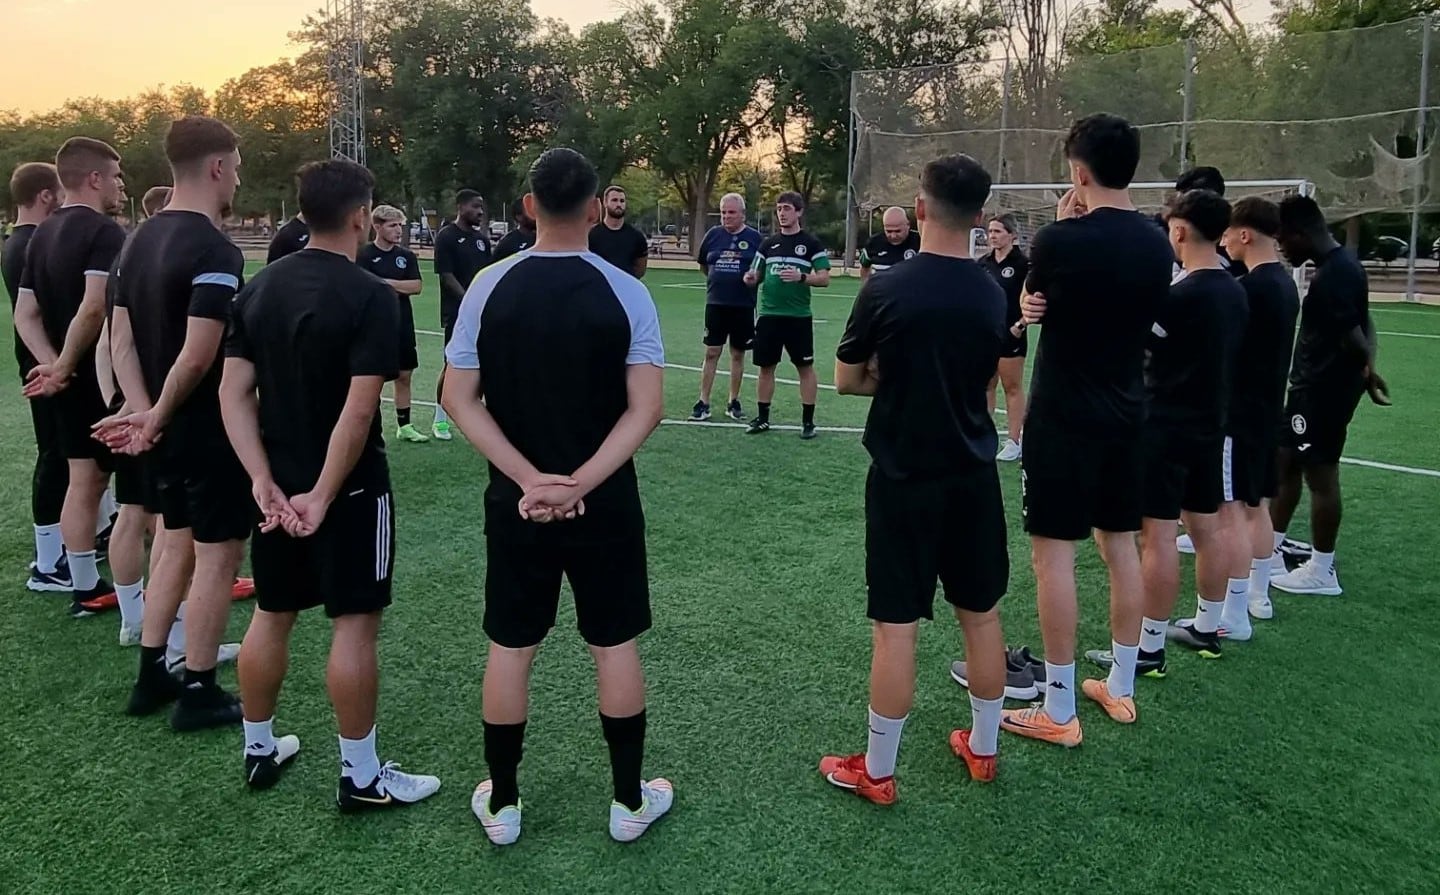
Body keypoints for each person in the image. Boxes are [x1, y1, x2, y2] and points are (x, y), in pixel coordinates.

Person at [442, 147, 671, 847]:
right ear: (598, 205)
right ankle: (628, 800)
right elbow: (645, 410)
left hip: (519, 505)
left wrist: (530, 481)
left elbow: (457, 399)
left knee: (512, 647)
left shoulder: (487, 284)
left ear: (530, 204)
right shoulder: (627, 290)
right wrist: (574, 483)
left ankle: (504, 804)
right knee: (614, 643)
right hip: (599, 502)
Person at [221, 158, 442, 810]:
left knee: (273, 611)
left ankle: (258, 747)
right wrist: (319, 493)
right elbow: (357, 408)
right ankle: (361, 776)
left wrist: (262, 479)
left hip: (279, 486)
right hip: (345, 489)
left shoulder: (257, 289)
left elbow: (233, 394)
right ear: (358, 217)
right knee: (354, 623)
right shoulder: (370, 294)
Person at [820, 153, 1010, 805]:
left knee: (896, 627)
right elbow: (984, 381)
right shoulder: (992, 290)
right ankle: (983, 749)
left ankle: (878, 769)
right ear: (980, 217)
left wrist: (893, 378)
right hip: (973, 476)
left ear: (921, 209)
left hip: (904, 477)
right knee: (982, 618)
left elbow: (846, 379)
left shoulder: (887, 287)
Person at [1000, 114, 1173, 746]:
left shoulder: (1057, 240)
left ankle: (1060, 706)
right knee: (1120, 546)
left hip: (1064, 416)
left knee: (1055, 557)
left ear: (1077, 171)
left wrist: (1062, 234)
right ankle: (1120, 687)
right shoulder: (1159, 242)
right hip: (1130, 413)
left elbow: (1033, 303)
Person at [96, 116, 250, 731]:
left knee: (174, 543)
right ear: (216, 167)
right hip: (203, 427)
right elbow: (199, 350)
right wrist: (156, 413)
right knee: (218, 555)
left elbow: (121, 333)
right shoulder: (216, 248)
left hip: (161, 427)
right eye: (235, 166)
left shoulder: (136, 239)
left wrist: (142, 410)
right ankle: (200, 690)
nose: (237, 178)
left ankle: (152, 671)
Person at [1110, 190, 1247, 673]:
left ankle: (1148, 646)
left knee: (1159, 536)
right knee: (1207, 527)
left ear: (1181, 230)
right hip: (1211, 424)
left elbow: (1138, 343)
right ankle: (1207, 626)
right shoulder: (1234, 288)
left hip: (1166, 425)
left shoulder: (1184, 294)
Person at [15, 137, 127, 618]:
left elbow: (26, 314)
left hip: (65, 377)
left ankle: (84, 587)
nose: (122, 185)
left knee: (85, 480)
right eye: (117, 176)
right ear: (95, 178)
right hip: (98, 376)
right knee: (135, 489)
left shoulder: (40, 232)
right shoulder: (104, 232)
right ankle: (147, 598)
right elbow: (96, 305)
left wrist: (53, 365)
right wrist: (63, 367)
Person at [1268, 195, 1389, 597]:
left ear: (1302, 233)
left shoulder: (1333, 276)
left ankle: (1322, 569)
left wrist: (1365, 368)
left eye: (1284, 238)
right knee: (1284, 462)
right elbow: (1364, 323)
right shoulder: (1344, 264)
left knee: (1320, 474)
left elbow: (1354, 337)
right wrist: (1369, 370)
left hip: (1321, 392)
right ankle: (1269, 550)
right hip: (1312, 388)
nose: (1282, 248)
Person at [1214, 198, 1300, 623]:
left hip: (1239, 414)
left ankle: (1233, 611)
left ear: (1245, 234)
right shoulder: (1284, 283)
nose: (1224, 240)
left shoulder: (1249, 289)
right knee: (1256, 506)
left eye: (1228, 232)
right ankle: (1258, 593)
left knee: (1231, 512)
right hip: (1267, 410)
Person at [2, 162, 69, 593]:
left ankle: (71, 540)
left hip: (44, 363)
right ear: (46, 195)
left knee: (65, 455)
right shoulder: (29, 244)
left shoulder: (22, 241)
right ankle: (48, 562)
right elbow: (33, 314)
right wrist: (57, 364)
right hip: (43, 366)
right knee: (56, 455)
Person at [743, 191, 831, 439]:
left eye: (787, 208)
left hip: (798, 317)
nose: (782, 213)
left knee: (805, 367)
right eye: (779, 209)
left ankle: (808, 422)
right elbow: (754, 276)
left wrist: (802, 277)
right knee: (765, 368)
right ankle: (762, 418)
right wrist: (749, 278)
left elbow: (824, 279)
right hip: (769, 316)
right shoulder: (768, 244)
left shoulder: (811, 244)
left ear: (799, 212)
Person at [358, 205, 427, 443]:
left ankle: (404, 425)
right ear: (377, 227)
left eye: (400, 225)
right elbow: (362, 287)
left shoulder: (405, 256)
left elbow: (416, 286)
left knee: (404, 375)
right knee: (373, 378)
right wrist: (397, 285)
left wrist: (384, 282)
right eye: (392, 225)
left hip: (403, 322)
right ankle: (369, 426)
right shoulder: (363, 255)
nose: (398, 230)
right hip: (374, 325)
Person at [691, 192, 761, 422]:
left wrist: (754, 279)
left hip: (742, 305)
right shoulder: (713, 235)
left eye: (731, 212)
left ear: (742, 214)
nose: (726, 217)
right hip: (716, 303)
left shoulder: (755, 238)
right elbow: (704, 264)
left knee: (738, 354)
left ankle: (734, 401)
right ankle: (703, 401)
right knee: (711, 352)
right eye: (723, 212)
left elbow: (762, 270)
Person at [432, 189, 490, 442]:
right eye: (475, 207)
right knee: (452, 365)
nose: (480, 212)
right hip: (457, 312)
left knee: (486, 364)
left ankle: (481, 419)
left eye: (482, 208)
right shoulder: (446, 237)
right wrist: (469, 301)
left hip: (483, 313)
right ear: (461, 207)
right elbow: (446, 275)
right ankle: (439, 419)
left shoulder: (481, 240)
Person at [978, 214, 1029, 462]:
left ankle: (1015, 440)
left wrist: (1020, 325)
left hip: (1011, 334)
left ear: (1012, 235)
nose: (993, 236)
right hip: (987, 334)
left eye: (998, 231)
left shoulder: (1022, 265)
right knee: (986, 384)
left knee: (1012, 387)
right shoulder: (983, 263)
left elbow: (1033, 299)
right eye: (990, 231)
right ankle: (984, 435)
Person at [588, 185, 648, 278]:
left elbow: (640, 269)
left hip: (625, 288)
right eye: (614, 200)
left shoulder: (636, 237)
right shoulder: (590, 234)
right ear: (605, 203)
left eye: (622, 201)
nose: (619, 204)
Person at [857, 206, 919, 282]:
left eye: (898, 231)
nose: (893, 236)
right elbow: (864, 267)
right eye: (889, 231)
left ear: (908, 225)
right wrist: (866, 287)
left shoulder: (920, 241)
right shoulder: (873, 243)